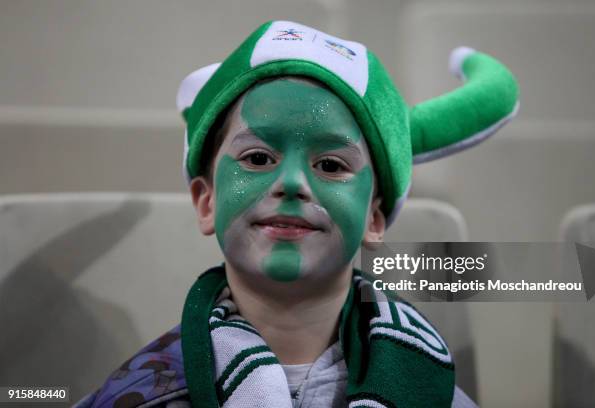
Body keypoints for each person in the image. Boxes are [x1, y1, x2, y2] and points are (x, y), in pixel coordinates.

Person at [74, 20, 518, 408]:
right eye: (257, 158)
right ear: (206, 201)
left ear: (373, 220)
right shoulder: (138, 393)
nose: (292, 182)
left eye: (330, 165)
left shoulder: (433, 393)